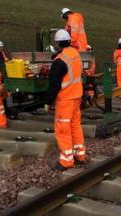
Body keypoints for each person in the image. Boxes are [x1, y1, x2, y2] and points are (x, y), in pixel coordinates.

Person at [44, 29, 86, 171]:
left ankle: (66, 161)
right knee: (75, 126)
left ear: (57, 43)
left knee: (63, 130)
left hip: (65, 99)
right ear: (68, 41)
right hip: (77, 96)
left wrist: (48, 101)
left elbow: (54, 85)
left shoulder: (59, 61)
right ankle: (80, 156)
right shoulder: (75, 54)